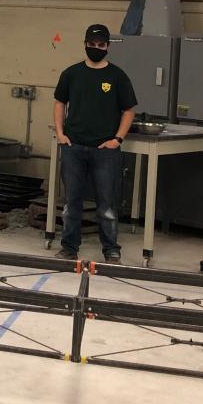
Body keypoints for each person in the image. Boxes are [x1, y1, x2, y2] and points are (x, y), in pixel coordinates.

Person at [52, 23, 137, 263]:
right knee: (71, 202)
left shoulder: (117, 76)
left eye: (101, 45)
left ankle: (111, 250)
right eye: (92, 44)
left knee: (107, 204)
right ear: (85, 44)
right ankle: (69, 248)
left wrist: (117, 139)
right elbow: (60, 102)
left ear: (108, 46)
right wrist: (61, 133)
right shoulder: (71, 73)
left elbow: (129, 110)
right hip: (73, 147)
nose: (96, 48)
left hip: (105, 150)